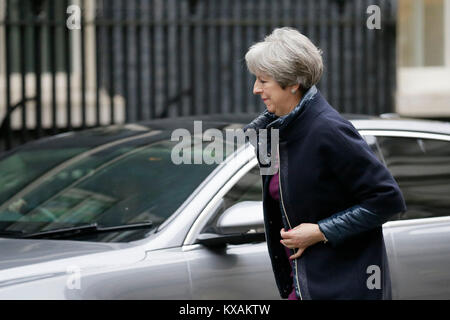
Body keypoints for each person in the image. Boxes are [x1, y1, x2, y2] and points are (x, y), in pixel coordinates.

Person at [243, 27, 406, 300]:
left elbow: (387, 199)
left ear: (293, 83)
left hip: (342, 288)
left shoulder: (328, 130)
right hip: (305, 285)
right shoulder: (277, 133)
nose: (255, 89)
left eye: (263, 80)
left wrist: (320, 231)